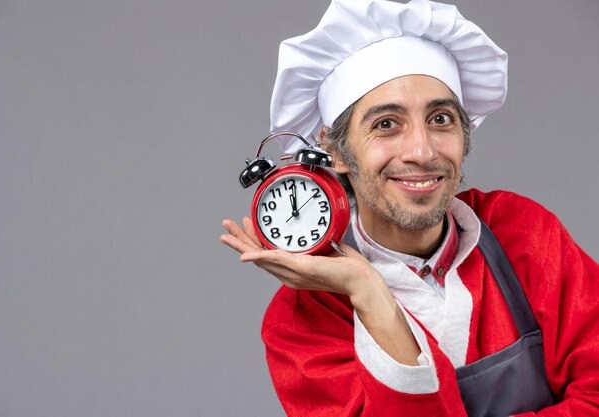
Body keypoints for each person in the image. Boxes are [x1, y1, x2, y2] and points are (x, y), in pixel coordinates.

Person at [220, 0, 599, 415]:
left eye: (440, 119)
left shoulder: (523, 233)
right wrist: (368, 292)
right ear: (335, 152)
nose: (422, 150)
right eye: (386, 124)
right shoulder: (304, 321)